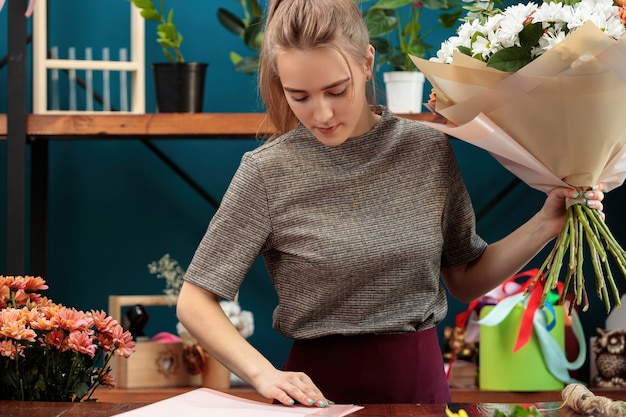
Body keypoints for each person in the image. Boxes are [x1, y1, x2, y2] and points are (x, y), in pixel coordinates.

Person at [176, 0, 605, 407]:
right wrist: (262, 374)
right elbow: (194, 301)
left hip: (420, 388)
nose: (321, 114)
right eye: (299, 96)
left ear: (366, 64)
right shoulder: (267, 172)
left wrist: (545, 224)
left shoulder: (428, 150)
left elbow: (464, 278)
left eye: (336, 90)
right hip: (316, 397)